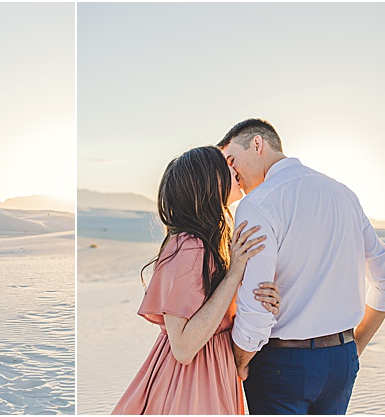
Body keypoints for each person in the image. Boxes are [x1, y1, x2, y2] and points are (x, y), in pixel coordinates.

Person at [218, 118, 385, 414]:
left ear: (257, 144)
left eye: (231, 160)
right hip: (340, 362)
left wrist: (239, 363)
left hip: (280, 365)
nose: (232, 174)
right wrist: (353, 349)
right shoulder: (344, 194)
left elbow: (257, 307)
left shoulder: (257, 205)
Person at [112, 146, 282, 414]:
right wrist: (235, 274)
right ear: (209, 180)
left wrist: (262, 300)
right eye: (223, 163)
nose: (233, 167)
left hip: (217, 370)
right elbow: (183, 347)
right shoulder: (189, 246)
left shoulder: (213, 242)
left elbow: (218, 310)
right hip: (190, 382)